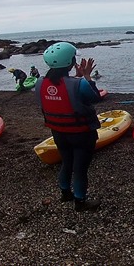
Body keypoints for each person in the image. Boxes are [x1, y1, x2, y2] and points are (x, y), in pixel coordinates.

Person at [35, 42, 104, 212]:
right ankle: (80, 202)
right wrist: (86, 77)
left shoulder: (39, 82)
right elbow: (95, 97)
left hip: (58, 132)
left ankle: (65, 193)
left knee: (67, 162)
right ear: (71, 61)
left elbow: (59, 90)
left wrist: (76, 77)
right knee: (79, 168)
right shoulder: (79, 84)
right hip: (81, 134)